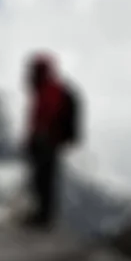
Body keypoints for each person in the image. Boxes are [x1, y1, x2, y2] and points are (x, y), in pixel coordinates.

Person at [21, 53, 82, 229]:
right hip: (50, 140)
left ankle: (42, 217)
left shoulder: (47, 90)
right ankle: (43, 216)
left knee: (43, 178)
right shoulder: (49, 88)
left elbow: (44, 115)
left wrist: (36, 136)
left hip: (46, 141)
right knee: (44, 178)